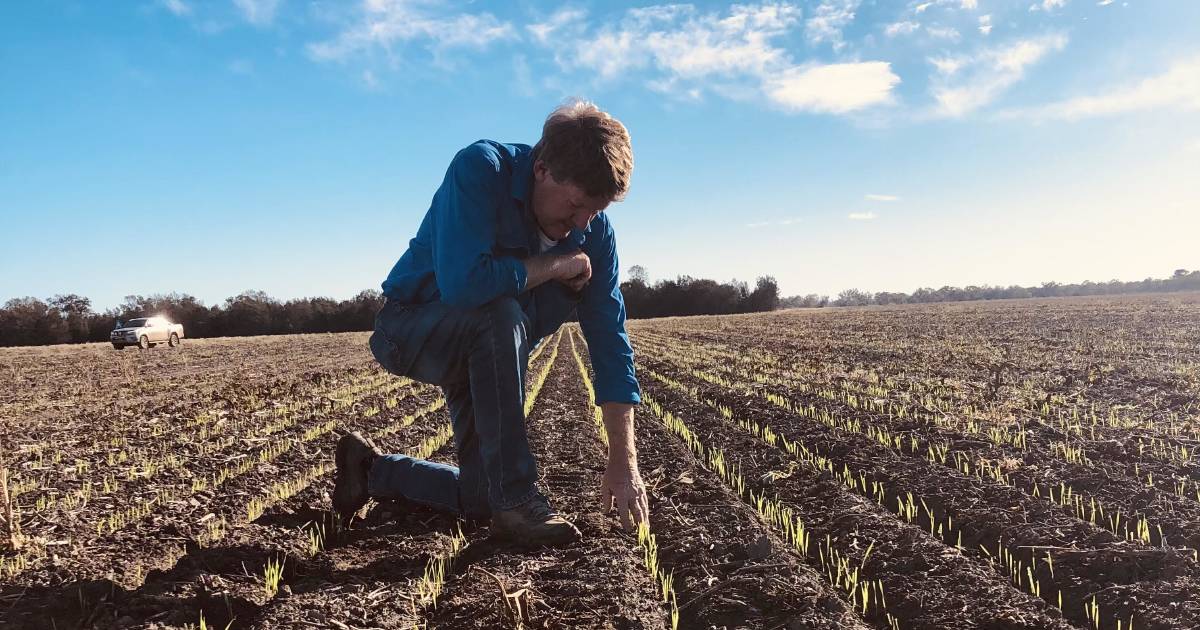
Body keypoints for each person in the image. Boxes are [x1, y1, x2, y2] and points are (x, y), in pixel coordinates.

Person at [331, 100, 649, 547]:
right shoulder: (480, 168)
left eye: (594, 212)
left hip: (490, 353)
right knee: (498, 310)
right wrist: (555, 267)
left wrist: (624, 459)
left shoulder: (593, 234)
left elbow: (609, 337)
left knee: (482, 499)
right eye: (576, 205)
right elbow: (465, 285)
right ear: (542, 168)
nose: (582, 224)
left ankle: (372, 470)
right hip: (409, 328)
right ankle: (517, 499)